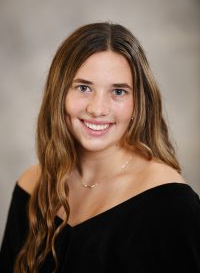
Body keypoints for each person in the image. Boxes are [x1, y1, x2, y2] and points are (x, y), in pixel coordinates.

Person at [0, 22, 200, 273]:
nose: (97, 108)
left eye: (118, 91)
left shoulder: (170, 203)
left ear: (137, 104)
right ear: (59, 93)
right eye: (83, 87)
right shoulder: (31, 185)